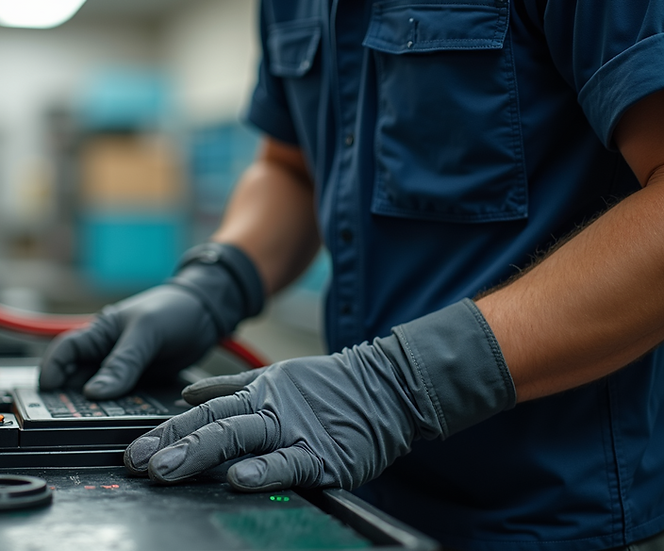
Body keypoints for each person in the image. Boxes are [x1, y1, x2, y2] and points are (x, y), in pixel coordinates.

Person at [39, 1, 664, 549]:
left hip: (553, 513)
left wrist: (397, 385)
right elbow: (292, 165)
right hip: (350, 487)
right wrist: (214, 280)